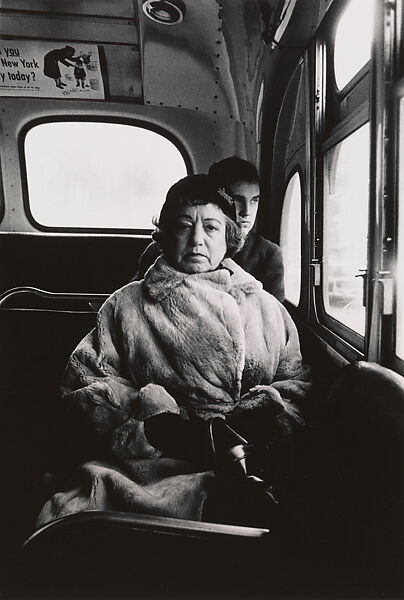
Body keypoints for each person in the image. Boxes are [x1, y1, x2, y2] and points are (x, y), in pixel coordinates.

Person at [38, 175, 309, 528]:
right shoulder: (127, 304)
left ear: (229, 238)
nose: (197, 239)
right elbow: (85, 380)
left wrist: (262, 417)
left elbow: (299, 382)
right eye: (184, 226)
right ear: (165, 235)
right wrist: (156, 427)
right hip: (152, 464)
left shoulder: (264, 306)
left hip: (249, 458)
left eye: (211, 228)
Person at [133, 157, 285, 302]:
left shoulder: (268, 255)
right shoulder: (160, 251)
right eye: (237, 200)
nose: (247, 211)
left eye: (254, 200)